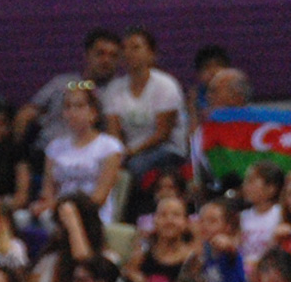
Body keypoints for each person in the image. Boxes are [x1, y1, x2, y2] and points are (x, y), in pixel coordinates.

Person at [101, 26, 187, 188]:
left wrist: (131, 152)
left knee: (135, 168)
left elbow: (162, 133)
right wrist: (119, 154)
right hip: (129, 152)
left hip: (166, 149)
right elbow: (114, 132)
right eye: (124, 49)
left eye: (136, 48)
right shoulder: (114, 88)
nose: (128, 53)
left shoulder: (166, 85)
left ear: (151, 54)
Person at [14, 28, 122, 156]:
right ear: (87, 55)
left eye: (113, 56)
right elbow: (27, 113)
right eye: (100, 53)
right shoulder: (61, 83)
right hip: (46, 151)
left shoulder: (117, 91)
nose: (106, 60)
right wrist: (18, 154)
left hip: (85, 157)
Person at [31, 82, 125, 223]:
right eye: (68, 107)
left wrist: (64, 208)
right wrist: (46, 205)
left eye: (79, 107)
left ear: (93, 112)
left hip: (93, 216)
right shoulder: (54, 147)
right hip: (58, 213)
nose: (72, 113)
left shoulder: (110, 147)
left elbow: (99, 197)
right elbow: (48, 190)